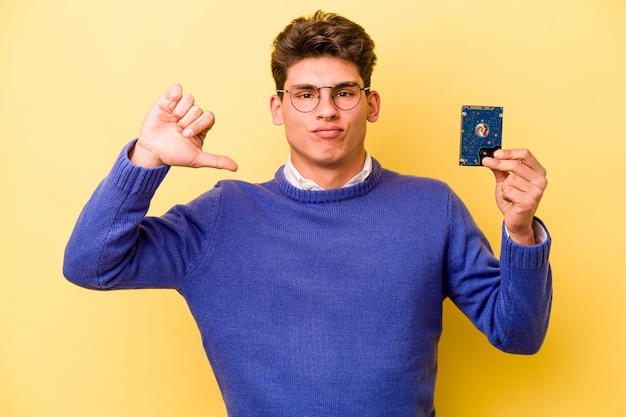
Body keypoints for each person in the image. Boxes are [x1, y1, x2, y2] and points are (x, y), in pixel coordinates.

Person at [63, 10, 552, 417]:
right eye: (305, 94)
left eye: (344, 92)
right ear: (278, 108)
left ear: (370, 103)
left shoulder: (432, 206)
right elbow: (89, 264)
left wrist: (520, 230)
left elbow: (518, 334)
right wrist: (145, 159)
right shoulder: (222, 216)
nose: (326, 111)